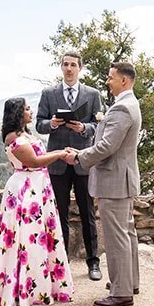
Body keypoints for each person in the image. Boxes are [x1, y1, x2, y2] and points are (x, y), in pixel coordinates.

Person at [0, 97, 77, 306]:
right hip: (26, 190)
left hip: (38, 187)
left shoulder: (24, 134)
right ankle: (25, 288)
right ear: (18, 113)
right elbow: (33, 162)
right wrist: (60, 154)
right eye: (27, 109)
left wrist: (58, 152)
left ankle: (42, 285)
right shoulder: (13, 138)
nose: (31, 112)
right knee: (27, 237)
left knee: (40, 237)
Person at [76, 61, 142, 306]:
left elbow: (107, 147)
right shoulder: (131, 104)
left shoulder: (122, 108)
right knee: (127, 233)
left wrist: (80, 157)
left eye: (110, 77)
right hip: (122, 179)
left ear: (123, 80)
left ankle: (121, 292)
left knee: (117, 238)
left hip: (114, 181)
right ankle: (130, 281)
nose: (107, 80)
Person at [35, 51, 104, 281]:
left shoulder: (93, 94)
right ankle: (60, 263)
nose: (69, 68)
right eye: (65, 64)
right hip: (57, 164)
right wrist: (52, 124)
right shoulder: (49, 94)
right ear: (61, 67)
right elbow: (39, 124)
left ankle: (93, 262)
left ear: (80, 68)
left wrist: (83, 129)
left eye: (73, 65)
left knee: (88, 214)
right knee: (59, 214)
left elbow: (98, 125)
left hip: (83, 160)